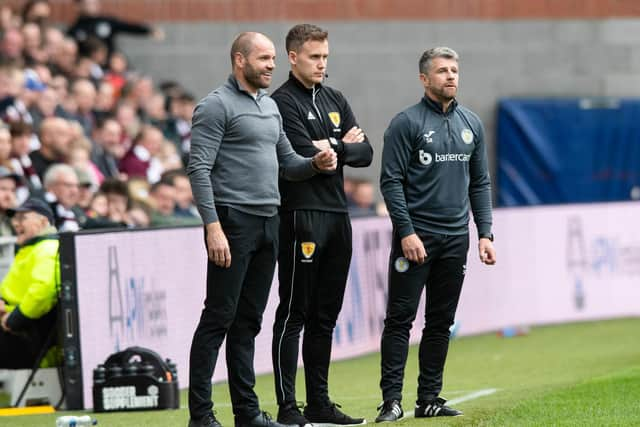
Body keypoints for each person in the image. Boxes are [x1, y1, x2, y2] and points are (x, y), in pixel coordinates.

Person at [186, 32, 337, 427]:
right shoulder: (215, 106)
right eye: (264, 58)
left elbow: (287, 161)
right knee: (218, 317)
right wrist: (212, 227)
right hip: (233, 221)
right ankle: (201, 415)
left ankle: (247, 413)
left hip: (270, 221)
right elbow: (198, 170)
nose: (272, 65)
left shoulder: (269, 107)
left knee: (248, 322)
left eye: (273, 59)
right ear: (240, 60)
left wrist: (315, 164)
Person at [375, 47, 496, 422]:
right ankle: (391, 400)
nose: (450, 76)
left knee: (441, 322)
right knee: (400, 319)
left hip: (455, 239)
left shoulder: (471, 123)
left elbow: (480, 182)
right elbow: (390, 182)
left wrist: (485, 233)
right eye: (442, 70)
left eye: (454, 70)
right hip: (416, 238)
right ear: (424, 79)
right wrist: (406, 231)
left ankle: (428, 398)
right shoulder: (405, 123)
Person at [269, 24, 372, 427]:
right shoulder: (281, 103)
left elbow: (364, 153)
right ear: (293, 57)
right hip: (300, 215)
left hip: (337, 216)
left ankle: (319, 403)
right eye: (314, 57)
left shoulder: (335, 98)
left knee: (326, 316)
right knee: (294, 312)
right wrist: (336, 145)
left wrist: (336, 147)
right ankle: (287, 406)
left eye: (325, 57)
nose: (321, 64)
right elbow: (296, 151)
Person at [0, 198, 59, 368]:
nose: (15, 223)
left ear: (43, 221)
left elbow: (44, 290)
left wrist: (16, 318)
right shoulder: (32, 249)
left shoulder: (47, 249)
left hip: (25, 335)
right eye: (14, 218)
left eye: (22, 218)